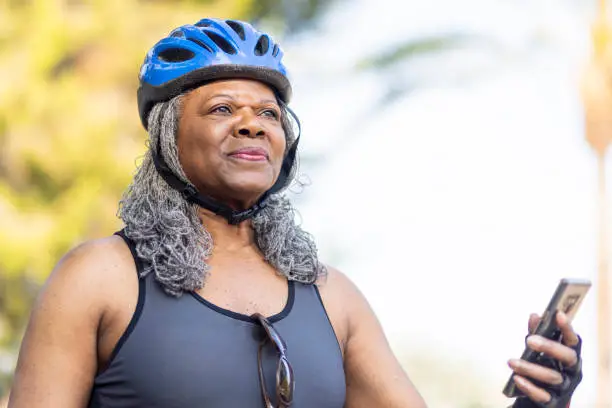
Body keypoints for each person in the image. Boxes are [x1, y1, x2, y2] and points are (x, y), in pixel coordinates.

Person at [7, 18, 583, 408]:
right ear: (166, 137)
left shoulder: (332, 298)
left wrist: (542, 399)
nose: (253, 122)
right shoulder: (99, 277)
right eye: (222, 108)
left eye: (268, 111)